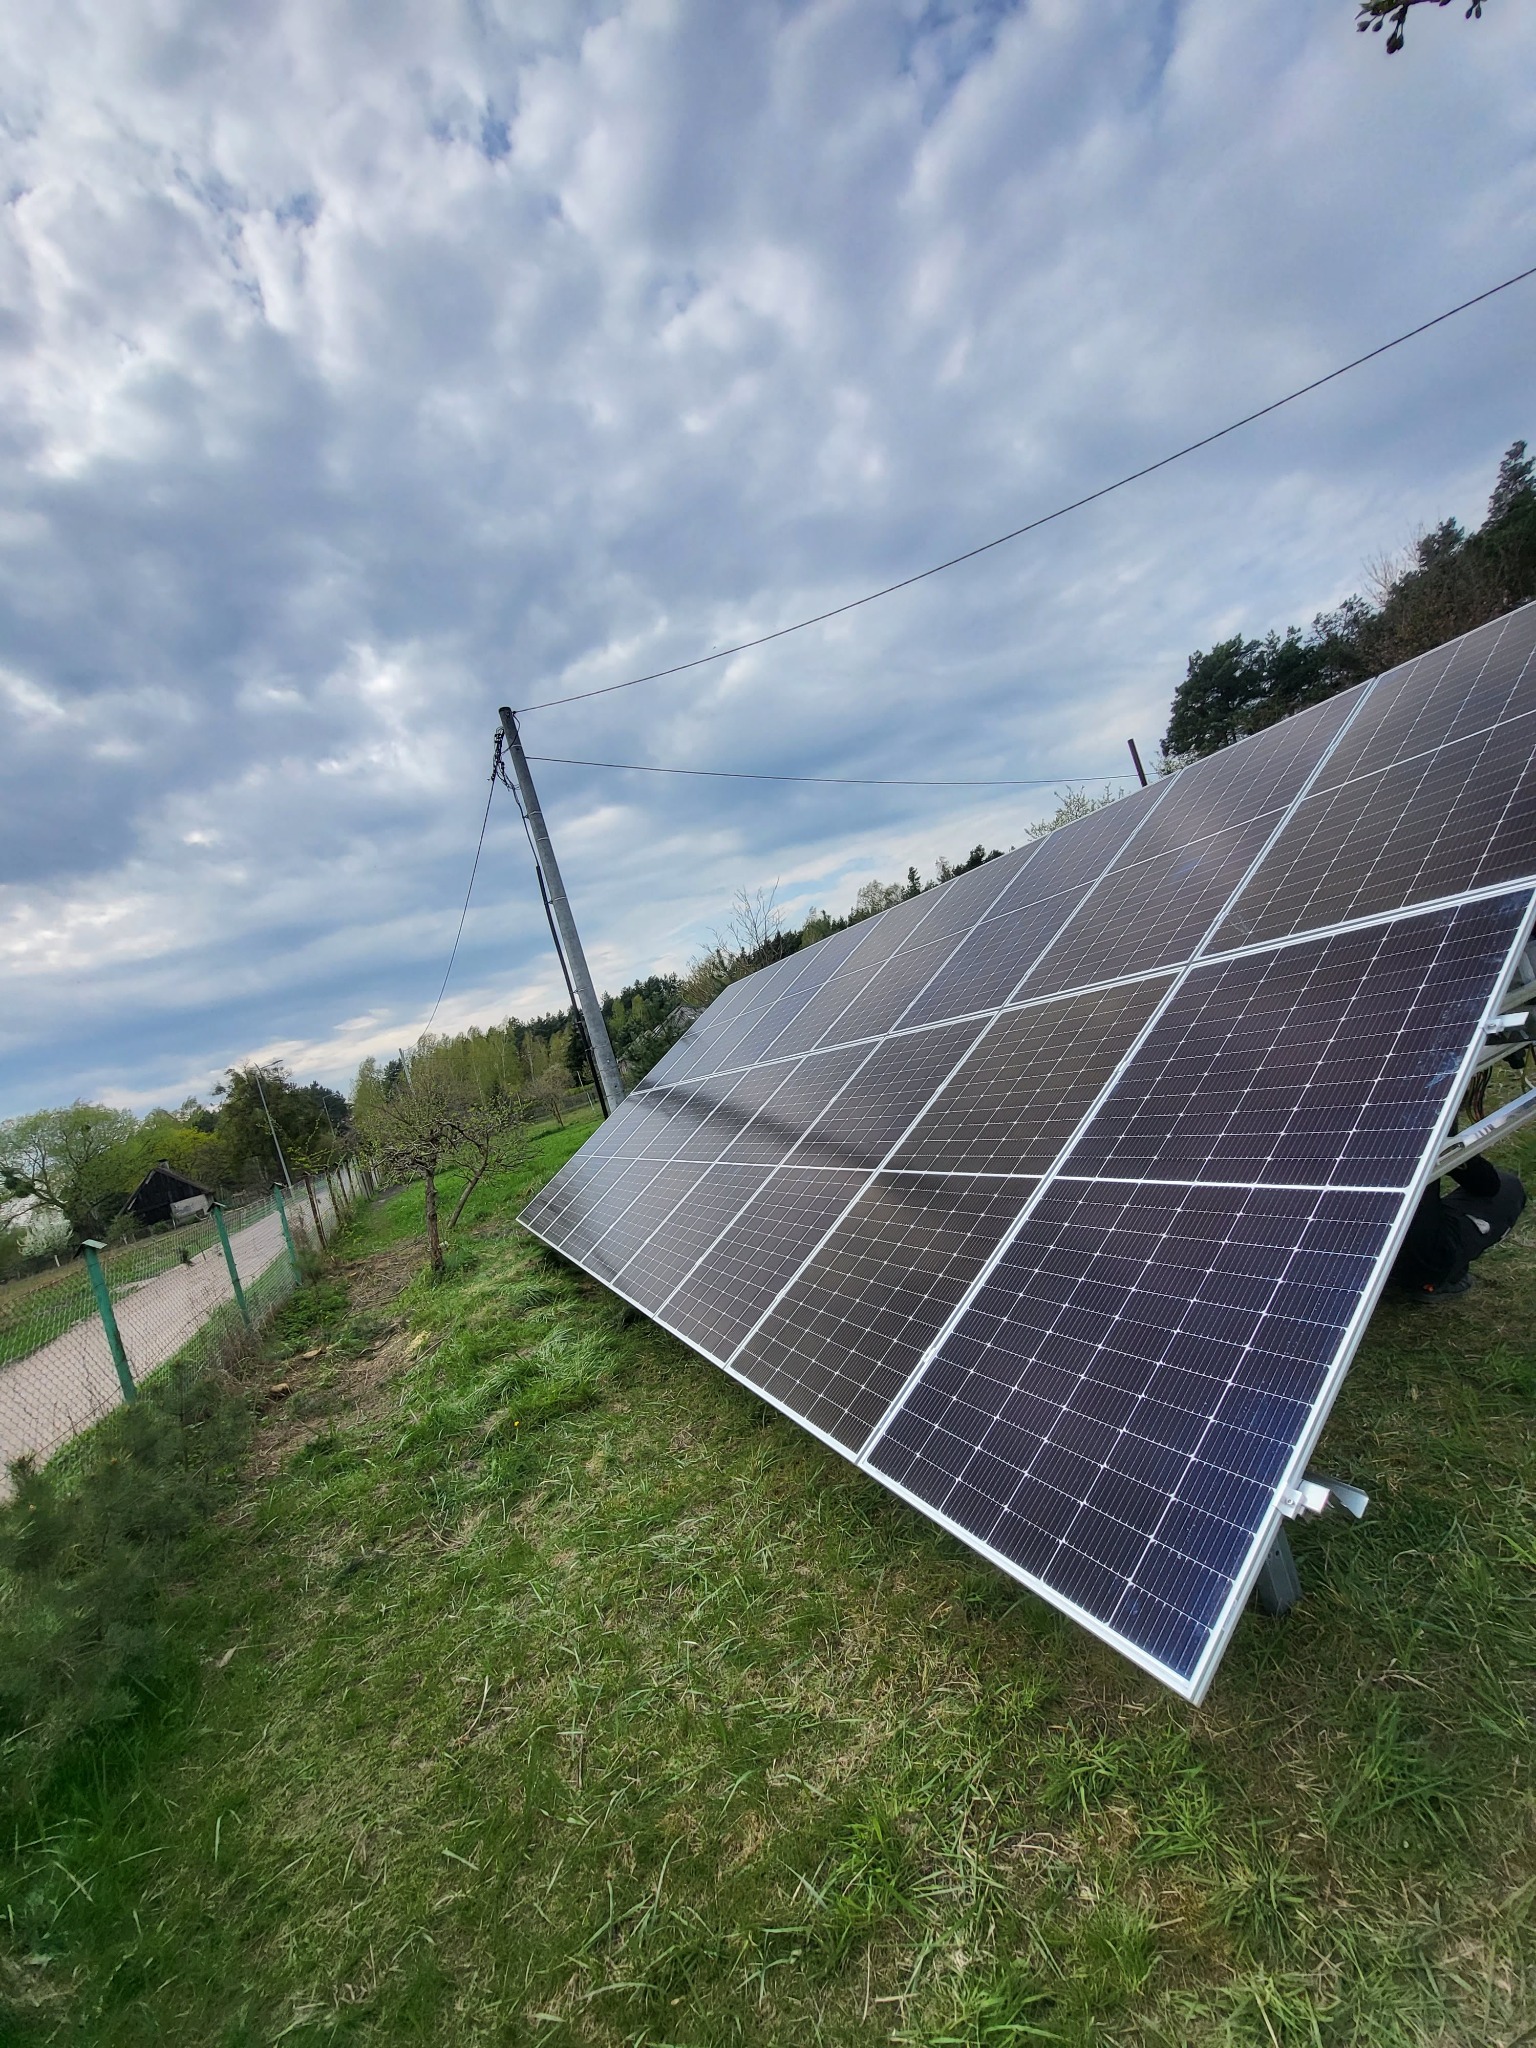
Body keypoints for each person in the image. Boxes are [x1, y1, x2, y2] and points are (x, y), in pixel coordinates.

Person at [1392, 1153, 1526, 1299]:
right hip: (1416, 1263)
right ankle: (1430, 1278)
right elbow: (1486, 1184)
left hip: (1368, 1256)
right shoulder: (1422, 1133)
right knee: (1508, 1186)